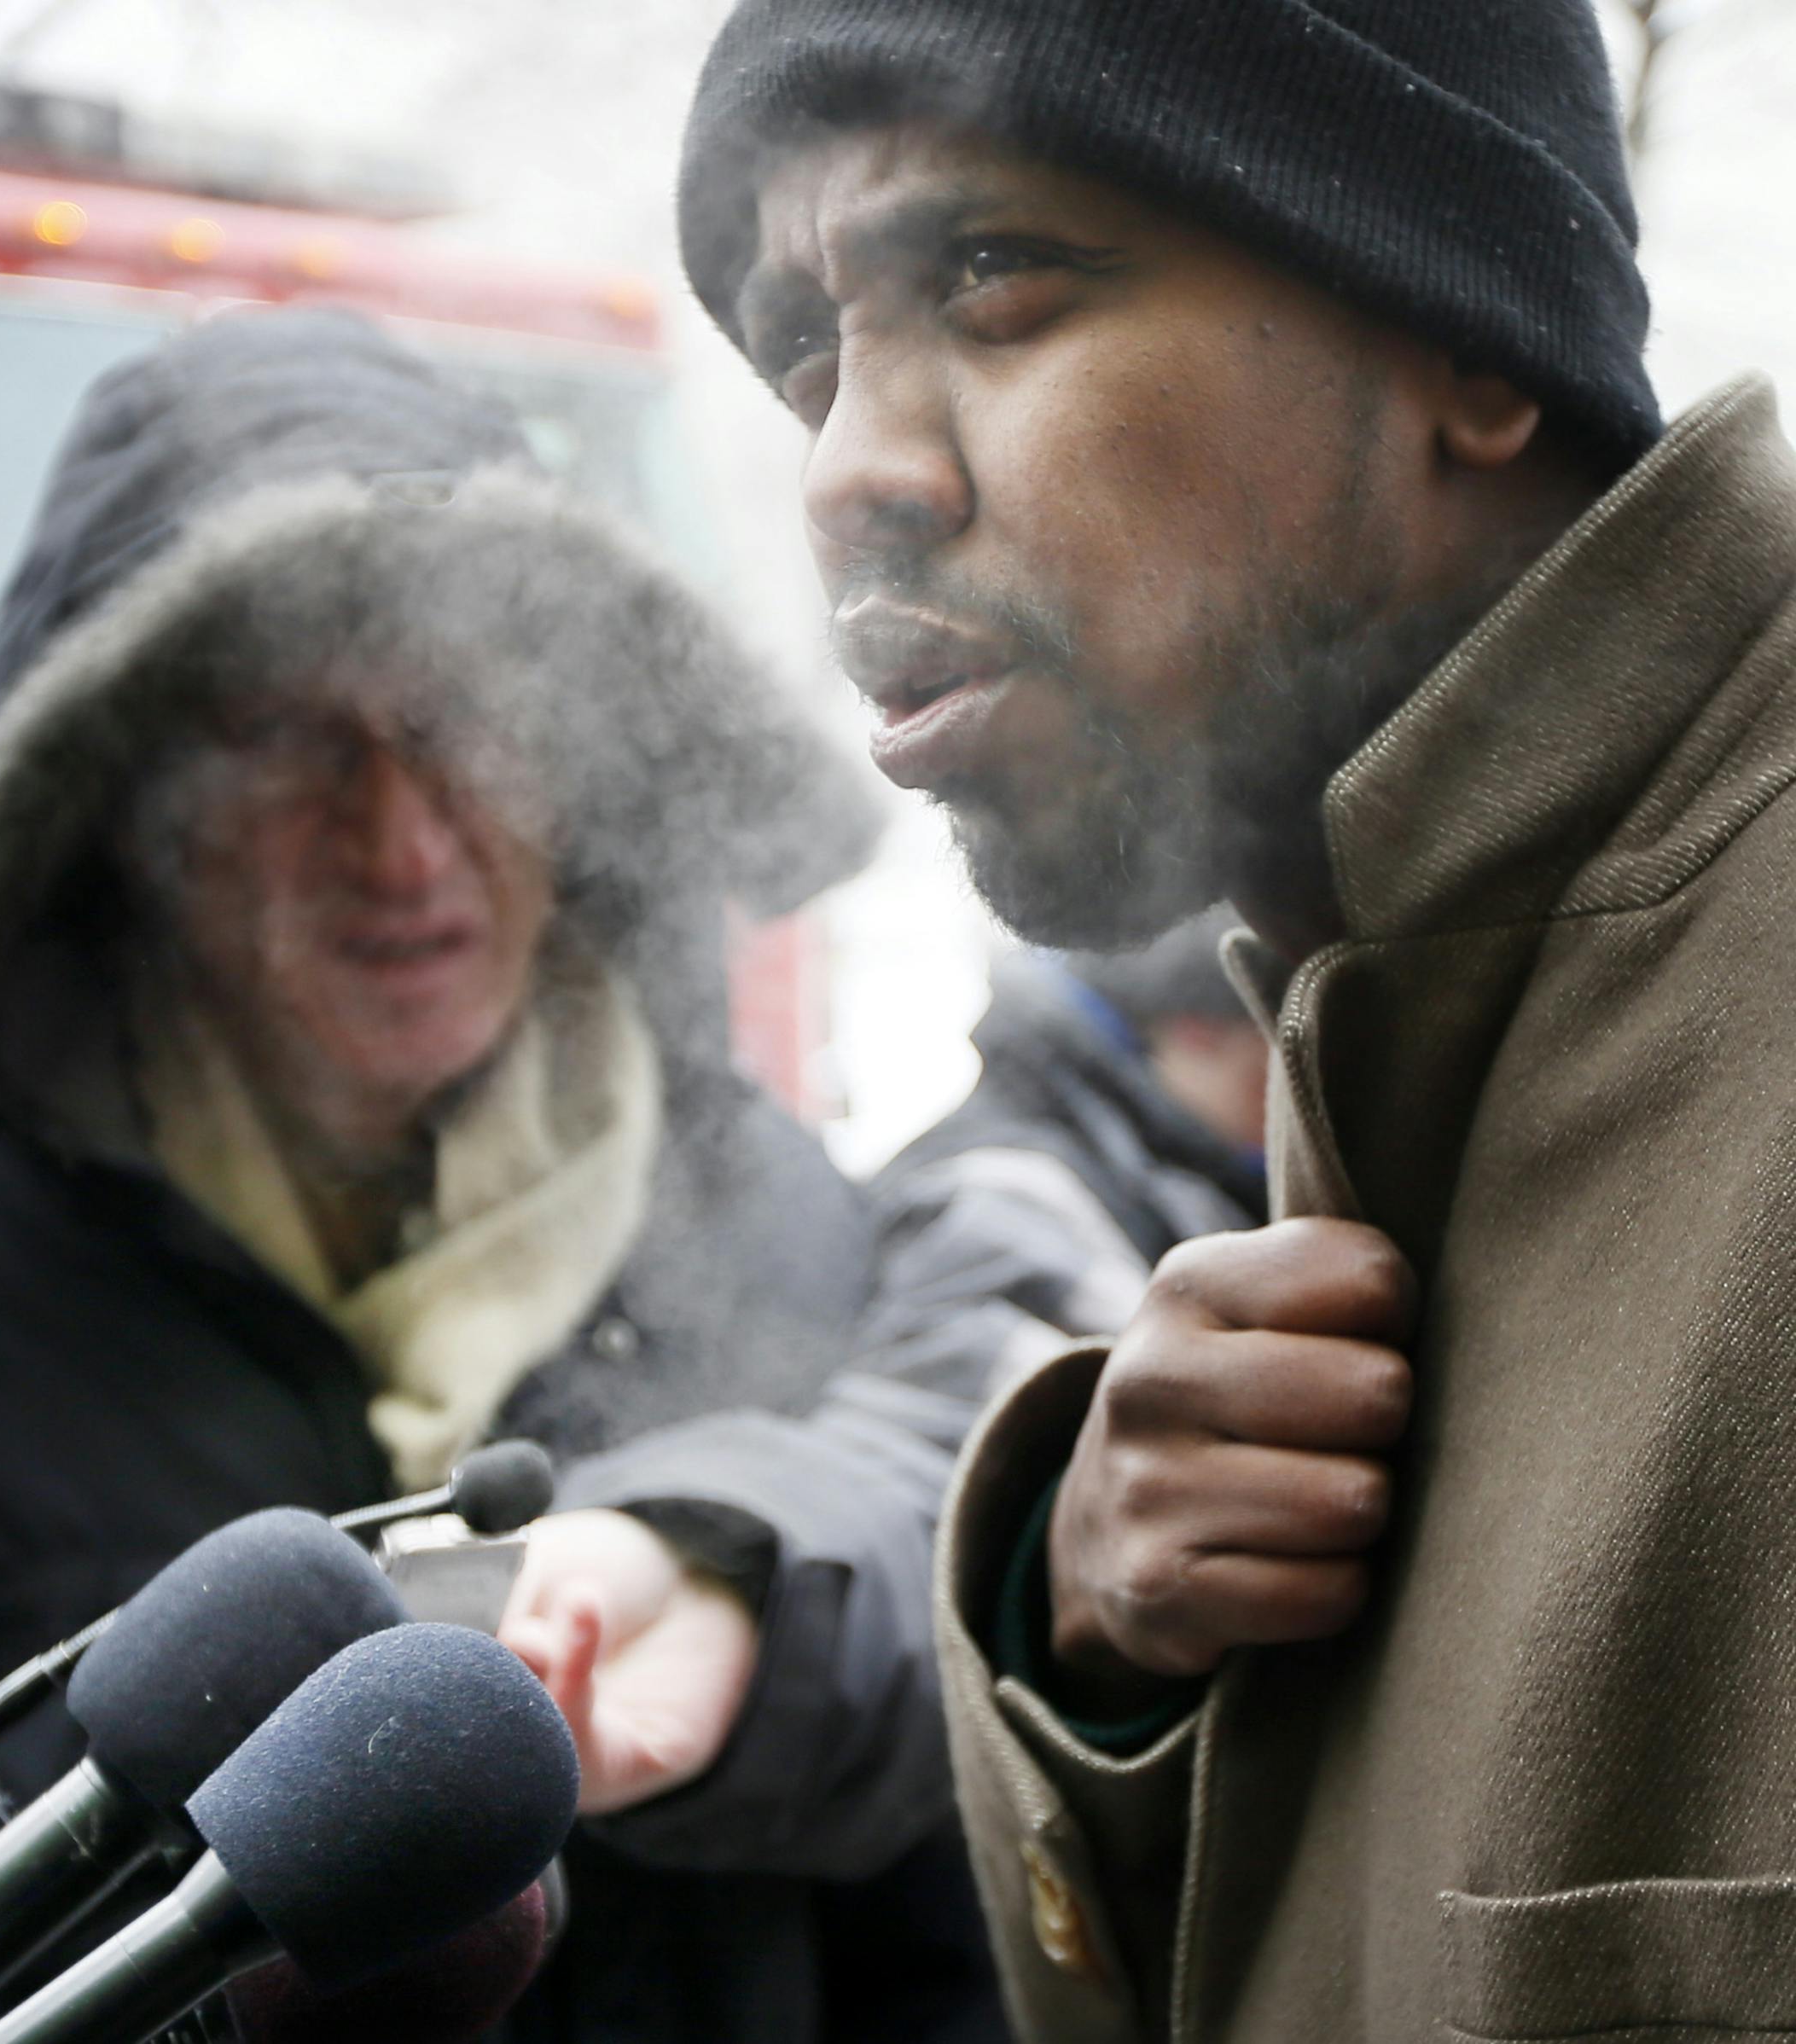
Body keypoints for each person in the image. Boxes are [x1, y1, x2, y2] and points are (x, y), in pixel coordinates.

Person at [675, 3, 1796, 2038]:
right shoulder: (1400, 989)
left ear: (1462, 327)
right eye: (807, 355)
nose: (849, 473)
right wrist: (1099, 1646)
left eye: (996, 275)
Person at [0, 306, 1004, 2042]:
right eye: (289, 742)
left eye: (466, 720)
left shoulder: (780, 1226)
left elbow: (933, 1924)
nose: (402, 841)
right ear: (128, 802)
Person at [857, 915, 1266, 1414]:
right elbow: (927, 1432)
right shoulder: (1007, 1196)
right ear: (1199, 1033)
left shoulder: (1144, 1167)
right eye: (1277, 1053)